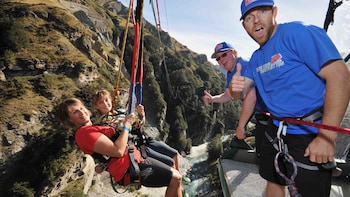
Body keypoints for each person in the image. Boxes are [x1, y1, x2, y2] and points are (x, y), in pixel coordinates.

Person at [229, 0, 350, 196]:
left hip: (309, 136)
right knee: (273, 181)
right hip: (275, 131)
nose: (256, 20)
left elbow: (340, 77)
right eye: (249, 17)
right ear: (245, 26)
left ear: (274, 12)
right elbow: (241, 93)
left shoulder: (298, 33)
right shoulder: (257, 58)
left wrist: (326, 138)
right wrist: (235, 89)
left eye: (262, 11)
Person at [57, 98, 183, 197]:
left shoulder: (94, 128)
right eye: (75, 112)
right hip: (129, 167)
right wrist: (127, 125)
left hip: (135, 159)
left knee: (176, 177)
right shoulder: (83, 134)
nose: (81, 112)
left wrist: (139, 118)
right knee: (175, 178)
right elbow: (117, 151)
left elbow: (106, 153)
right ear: (70, 120)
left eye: (81, 108)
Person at [91, 89, 191, 183]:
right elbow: (110, 143)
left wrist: (141, 115)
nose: (105, 104)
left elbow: (139, 123)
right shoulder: (103, 124)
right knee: (169, 162)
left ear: (110, 100)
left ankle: (179, 179)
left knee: (174, 153)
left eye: (106, 100)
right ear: (96, 106)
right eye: (101, 102)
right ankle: (177, 182)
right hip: (135, 146)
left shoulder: (120, 111)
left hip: (143, 139)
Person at [203, 42, 261, 140]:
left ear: (234, 52)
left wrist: (240, 127)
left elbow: (251, 97)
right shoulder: (231, 72)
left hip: (274, 114)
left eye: (224, 54)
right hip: (263, 115)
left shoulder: (243, 67)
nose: (221, 60)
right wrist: (212, 99)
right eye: (218, 58)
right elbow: (228, 95)